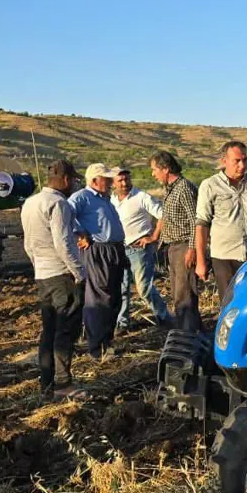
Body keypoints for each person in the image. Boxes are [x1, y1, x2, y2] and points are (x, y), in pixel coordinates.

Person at [21, 160, 87, 398]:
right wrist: (78, 271)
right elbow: (63, 242)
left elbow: (28, 244)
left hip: (43, 275)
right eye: (74, 180)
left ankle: (46, 383)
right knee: (65, 331)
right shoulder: (59, 204)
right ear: (67, 179)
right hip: (61, 275)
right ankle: (63, 384)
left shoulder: (30, 203)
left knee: (48, 331)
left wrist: (38, 266)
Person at [195, 141, 247, 302]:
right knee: (230, 302)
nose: (242, 165)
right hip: (225, 255)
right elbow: (202, 224)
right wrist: (201, 261)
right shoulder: (210, 185)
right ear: (224, 161)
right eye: (236, 161)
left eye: (244, 160)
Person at [69, 162, 127, 359]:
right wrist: (80, 234)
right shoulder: (81, 198)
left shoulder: (105, 199)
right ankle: (96, 348)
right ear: (95, 180)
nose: (111, 182)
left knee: (115, 298)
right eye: (107, 178)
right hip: (98, 251)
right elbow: (66, 216)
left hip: (115, 250)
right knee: (100, 298)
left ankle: (107, 341)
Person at [111, 167, 172, 330]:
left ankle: (164, 317)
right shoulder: (111, 201)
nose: (124, 183)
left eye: (126, 179)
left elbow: (163, 215)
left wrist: (154, 236)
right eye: (120, 180)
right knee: (121, 287)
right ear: (113, 183)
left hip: (139, 248)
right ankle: (122, 323)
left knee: (144, 288)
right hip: (120, 249)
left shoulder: (141, 197)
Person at [149, 150, 201, 332]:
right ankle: (191, 334)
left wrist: (193, 249)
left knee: (185, 295)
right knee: (179, 295)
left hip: (184, 247)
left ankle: (188, 337)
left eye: (155, 169)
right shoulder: (170, 190)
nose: (153, 174)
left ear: (166, 168)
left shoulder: (184, 188)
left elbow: (196, 220)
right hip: (174, 248)